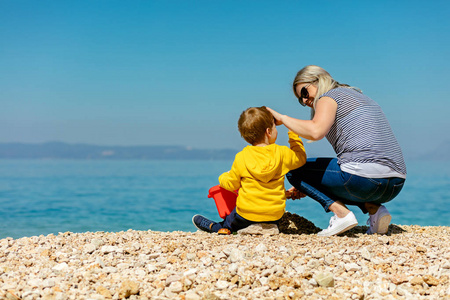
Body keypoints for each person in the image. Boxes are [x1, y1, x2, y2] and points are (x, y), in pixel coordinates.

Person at [267, 65, 407, 236]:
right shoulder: (359, 96)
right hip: (395, 184)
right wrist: (310, 185)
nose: (304, 101)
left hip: (364, 180)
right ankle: (375, 210)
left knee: (294, 169)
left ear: (318, 81)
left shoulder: (328, 97)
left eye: (304, 93)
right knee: (341, 170)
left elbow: (316, 131)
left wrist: (282, 118)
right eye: (300, 100)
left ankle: (342, 215)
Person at [192, 106, 307, 234]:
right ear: (269, 132)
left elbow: (232, 184)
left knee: (230, 218)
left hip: (246, 215)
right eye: (275, 127)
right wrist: (293, 133)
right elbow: (300, 158)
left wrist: (223, 177)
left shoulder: (242, 157)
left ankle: (217, 227)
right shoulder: (282, 153)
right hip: (275, 215)